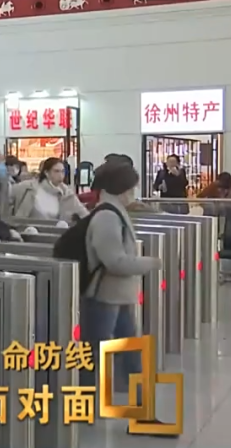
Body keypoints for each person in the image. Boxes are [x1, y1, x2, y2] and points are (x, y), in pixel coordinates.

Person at [80, 162, 161, 390]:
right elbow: (114, 261)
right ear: (121, 189)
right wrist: (150, 263)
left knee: (130, 352)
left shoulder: (114, 212)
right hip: (105, 295)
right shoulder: (107, 216)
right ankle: (86, 400)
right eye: (131, 189)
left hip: (119, 294)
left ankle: (139, 402)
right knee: (95, 353)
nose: (132, 194)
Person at [12, 157, 89, 222]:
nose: (60, 175)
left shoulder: (67, 194)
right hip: (30, 231)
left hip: (57, 232)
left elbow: (84, 214)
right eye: (56, 171)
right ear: (46, 173)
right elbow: (10, 202)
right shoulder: (29, 187)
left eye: (63, 171)